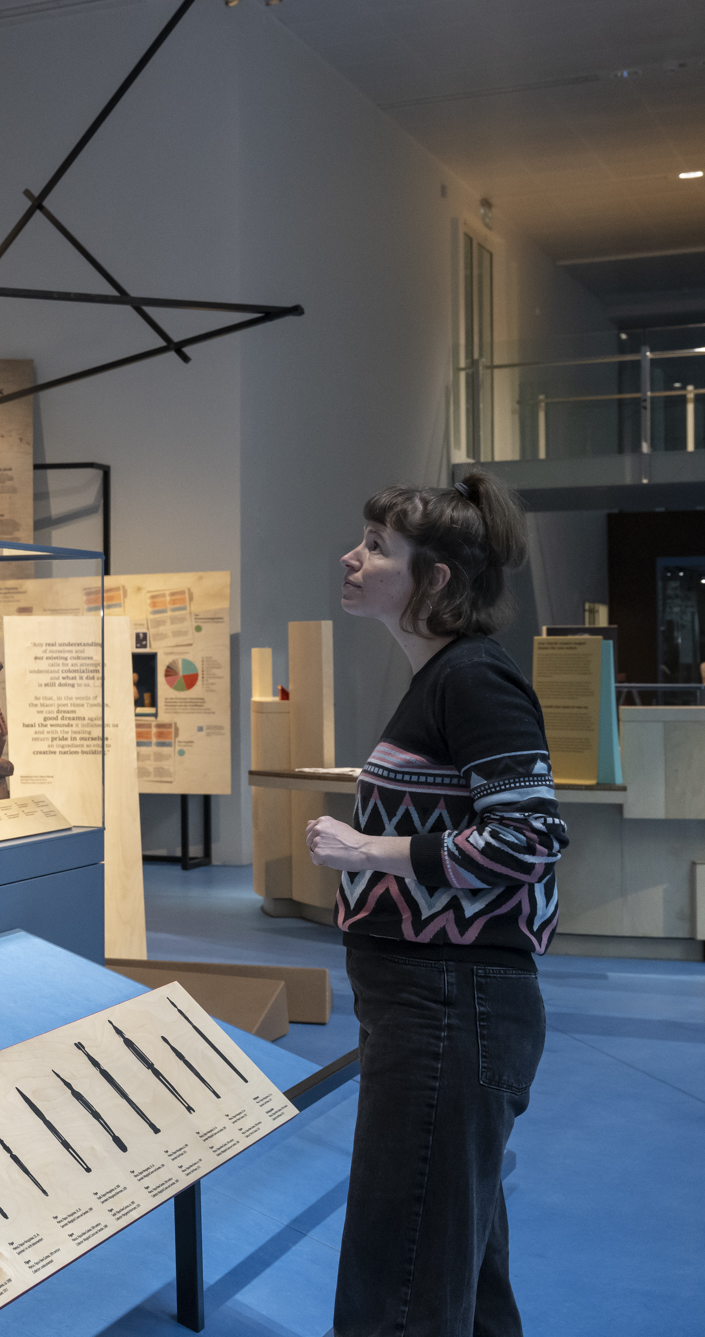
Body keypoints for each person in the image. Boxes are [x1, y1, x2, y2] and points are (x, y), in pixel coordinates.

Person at [307, 471, 563, 1337]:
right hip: (432, 1003)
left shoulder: (473, 681)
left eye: (377, 547)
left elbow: (526, 839)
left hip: (451, 1002)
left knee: (404, 1265)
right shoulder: (440, 679)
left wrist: (369, 849)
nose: (352, 555)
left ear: (437, 579)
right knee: (450, 1258)